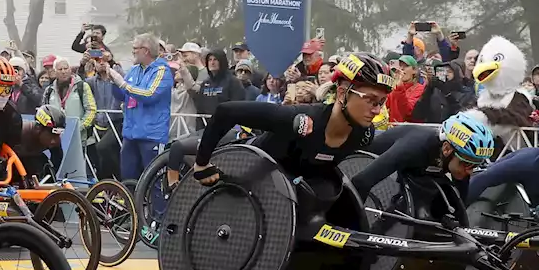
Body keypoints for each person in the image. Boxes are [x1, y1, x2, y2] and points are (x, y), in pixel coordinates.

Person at [191, 53, 393, 185]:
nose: (377, 110)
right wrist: (202, 163)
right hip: (247, 172)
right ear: (342, 94)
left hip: (291, 190)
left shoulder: (364, 135)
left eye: (381, 102)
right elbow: (226, 112)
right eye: (371, 100)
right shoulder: (301, 119)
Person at [352, 111, 496, 206]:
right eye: (467, 164)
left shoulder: (459, 157)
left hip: (418, 167)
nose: (470, 171)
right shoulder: (414, 148)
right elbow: (361, 182)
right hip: (364, 157)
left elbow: (460, 202)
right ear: (446, 149)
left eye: (475, 165)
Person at [99, 32, 175, 183]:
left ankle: (155, 207)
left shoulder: (162, 71)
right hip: (130, 135)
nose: (132, 51)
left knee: (153, 182)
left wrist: (123, 84)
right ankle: (131, 207)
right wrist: (113, 81)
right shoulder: (134, 70)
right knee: (128, 180)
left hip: (151, 135)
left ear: (145, 50)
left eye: (135, 48)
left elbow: (149, 95)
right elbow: (122, 96)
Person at [42, 57, 98, 170]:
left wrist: (79, 127)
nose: (63, 72)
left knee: (80, 171)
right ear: (55, 72)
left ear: (70, 69)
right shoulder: (49, 90)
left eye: (65, 68)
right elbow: (44, 111)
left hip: (80, 139)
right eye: (60, 69)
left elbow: (91, 110)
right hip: (57, 140)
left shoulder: (82, 86)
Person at [195, 48, 246, 118]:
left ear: (222, 61)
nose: (212, 63)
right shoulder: (205, 83)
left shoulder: (233, 82)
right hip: (207, 124)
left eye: (215, 59)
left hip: (227, 124)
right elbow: (200, 109)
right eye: (210, 60)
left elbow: (238, 107)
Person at [385, 55, 426, 124]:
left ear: (414, 70)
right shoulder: (393, 87)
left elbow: (408, 112)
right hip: (391, 129)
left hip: (407, 131)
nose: (401, 69)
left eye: (406, 66)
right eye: (400, 66)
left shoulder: (420, 89)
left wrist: (399, 88)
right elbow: (383, 107)